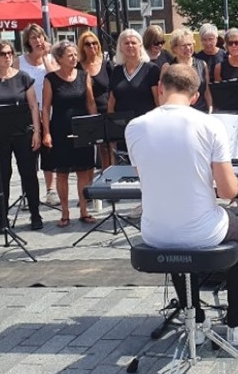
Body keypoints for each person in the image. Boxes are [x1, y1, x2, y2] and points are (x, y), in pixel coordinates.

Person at [124, 64, 238, 346]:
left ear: (161, 88)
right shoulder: (210, 125)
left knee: (175, 232)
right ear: (196, 96)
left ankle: (195, 321)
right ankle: (236, 322)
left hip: (154, 235)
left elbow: (147, 177)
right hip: (201, 233)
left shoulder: (134, 127)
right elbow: (227, 190)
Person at [0, 39, 44, 231]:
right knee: (3, 176)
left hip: (23, 132)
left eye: (10, 53)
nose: (8, 57)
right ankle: (3, 217)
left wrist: (37, 131)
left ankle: (35, 213)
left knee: (29, 173)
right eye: (3, 54)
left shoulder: (23, 77)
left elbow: (34, 105)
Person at [41, 40, 97, 228]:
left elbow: (90, 102)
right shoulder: (50, 79)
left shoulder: (83, 76)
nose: (74, 58)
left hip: (82, 128)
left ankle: (83, 210)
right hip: (60, 128)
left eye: (75, 54)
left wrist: (94, 125)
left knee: (84, 171)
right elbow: (46, 107)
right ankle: (65, 211)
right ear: (59, 59)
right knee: (62, 172)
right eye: (70, 55)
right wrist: (46, 133)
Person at [18, 23, 59, 206]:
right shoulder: (20, 61)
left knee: (49, 152)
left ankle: (51, 190)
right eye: (33, 37)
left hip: (48, 111)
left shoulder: (50, 59)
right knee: (28, 154)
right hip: (27, 113)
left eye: (40, 36)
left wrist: (44, 59)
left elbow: (56, 80)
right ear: (28, 40)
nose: (37, 40)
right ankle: (29, 191)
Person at [107, 29, 161, 128]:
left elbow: (158, 100)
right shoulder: (116, 71)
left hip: (146, 126)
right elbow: (111, 103)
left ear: (140, 46)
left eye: (133, 43)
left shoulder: (151, 69)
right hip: (122, 128)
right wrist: (112, 129)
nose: (130, 46)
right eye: (126, 43)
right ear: (120, 47)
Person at [77, 30, 113, 169]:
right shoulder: (78, 67)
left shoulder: (107, 64)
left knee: (109, 147)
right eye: (87, 44)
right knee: (96, 149)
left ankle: (112, 174)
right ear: (82, 47)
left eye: (94, 43)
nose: (92, 46)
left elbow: (113, 89)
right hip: (86, 111)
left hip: (106, 109)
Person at [164, 28, 212, 112]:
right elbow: (164, 94)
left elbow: (207, 91)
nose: (188, 48)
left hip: (200, 112)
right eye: (184, 45)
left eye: (190, 44)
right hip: (178, 114)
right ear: (174, 48)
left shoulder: (202, 65)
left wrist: (210, 109)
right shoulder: (168, 68)